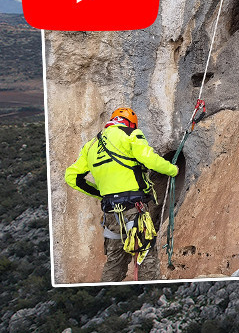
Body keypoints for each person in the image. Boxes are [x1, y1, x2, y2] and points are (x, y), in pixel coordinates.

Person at [64, 107, 178, 282]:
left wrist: (101, 194)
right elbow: (150, 159)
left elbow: (71, 177)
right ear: (131, 123)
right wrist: (172, 170)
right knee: (145, 254)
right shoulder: (132, 134)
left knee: (114, 261)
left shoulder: (91, 145)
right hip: (134, 208)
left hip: (110, 213)